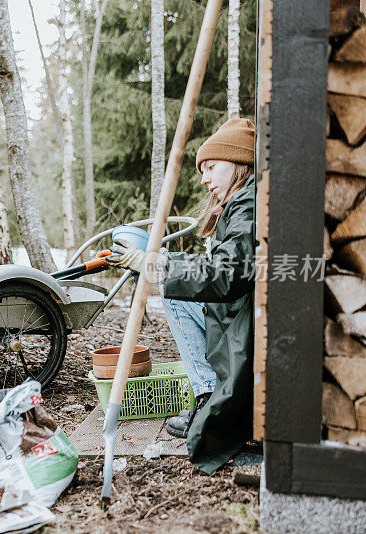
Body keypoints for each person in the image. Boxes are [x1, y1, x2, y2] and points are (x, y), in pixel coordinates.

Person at [108, 118, 256, 473]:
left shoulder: (250, 203)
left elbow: (227, 275)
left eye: (211, 167)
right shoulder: (242, 201)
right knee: (177, 295)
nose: (204, 179)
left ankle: (207, 396)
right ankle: (206, 393)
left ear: (239, 162)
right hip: (242, 311)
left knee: (175, 292)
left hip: (249, 321)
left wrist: (158, 264)